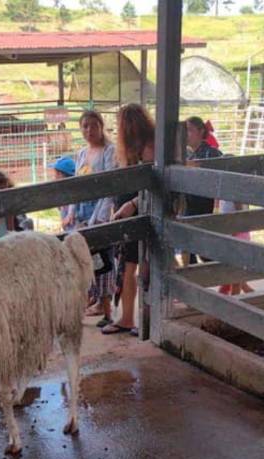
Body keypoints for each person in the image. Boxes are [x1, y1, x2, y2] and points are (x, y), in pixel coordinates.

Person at [103, 104, 156, 336]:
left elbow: (155, 182)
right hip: (125, 211)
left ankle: (149, 318)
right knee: (127, 267)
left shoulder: (150, 148)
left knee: (146, 266)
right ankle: (126, 318)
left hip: (144, 212)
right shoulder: (127, 150)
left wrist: (133, 204)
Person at [74, 110, 118, 326]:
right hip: (83, 210)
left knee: (103, 260)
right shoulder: (82, 153)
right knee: (85, 259)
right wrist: (73, 211)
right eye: (85, 126)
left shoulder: (110, 151)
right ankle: (93, 300)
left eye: (93, 125)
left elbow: (109, 187)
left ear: (101, 126)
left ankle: (106, 306)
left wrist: (99, 218)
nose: (89, 130)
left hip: (99, 210)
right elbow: (75, 186)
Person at [182, 116, 223, 265]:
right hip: (189, 205)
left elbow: (220, 171)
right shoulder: (187, 154)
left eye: (190, 130)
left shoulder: (210, 153)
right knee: (191, 248)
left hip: (202, 206)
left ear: (200, 131)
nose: (186, 134)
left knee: (203, 251)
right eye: (185, 131)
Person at [48, 156, 77, 231]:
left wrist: (69, 215)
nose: (54, 177)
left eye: (55, 174)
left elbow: (72, 207)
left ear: (60, 174)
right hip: (67, 225)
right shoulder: (62, 190)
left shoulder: (73, 191)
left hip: (74, 225)